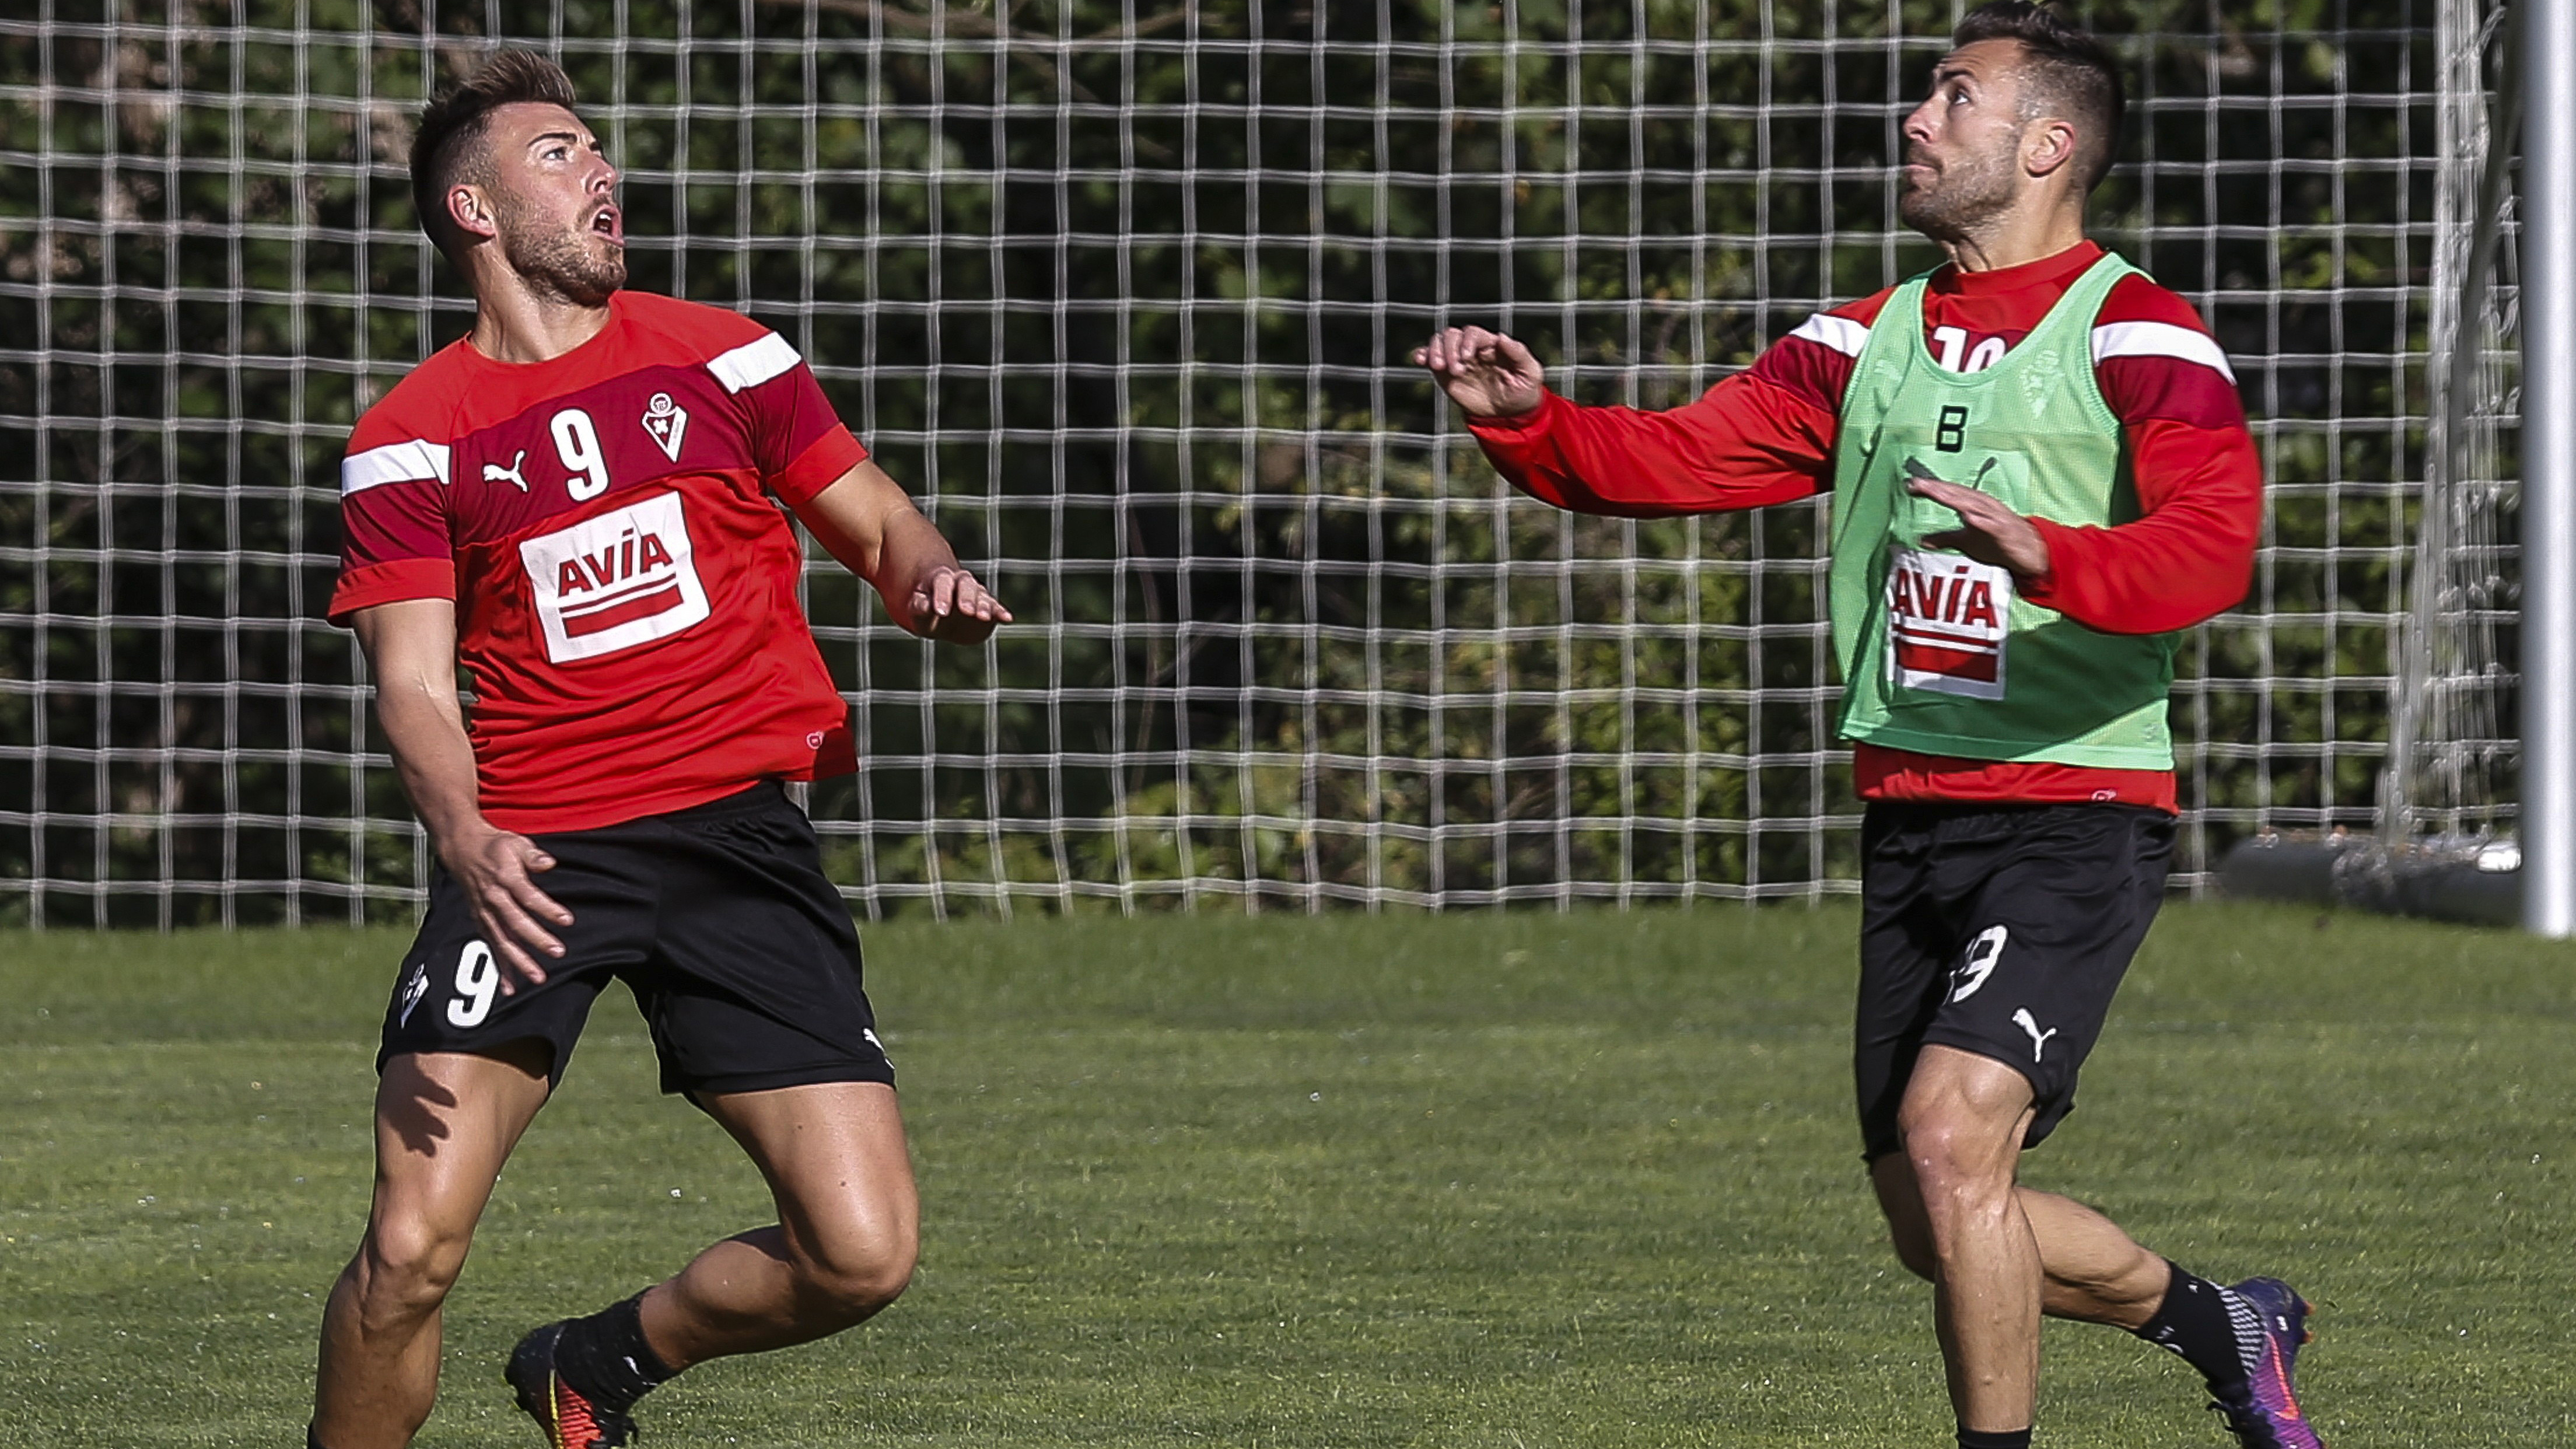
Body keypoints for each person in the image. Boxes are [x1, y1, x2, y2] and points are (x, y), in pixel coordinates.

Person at [1415, 5, 2322, 1446]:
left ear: (2048, 144)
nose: (1918, 120)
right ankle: (2226, 1323)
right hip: (1910, 810)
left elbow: (2213, 550)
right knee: (1940, 1215)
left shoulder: (2140, 326)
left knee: (1955, 1142)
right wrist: (1535, 422)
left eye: (1955, 98)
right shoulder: (1862, 335)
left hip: (2077, 809)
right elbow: (1681, 457)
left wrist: (2058, 560)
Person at [313, 51, 1009, 1449]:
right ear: (476, 210)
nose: (603, 172)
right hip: (532, 859)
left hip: (734, 839)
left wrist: (928, 578)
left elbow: (878, 521)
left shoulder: (726, 354)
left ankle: (597, 1362)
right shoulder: (407, 440)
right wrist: (465, 833)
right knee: (407, 1256)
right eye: (561, 153)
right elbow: (413, 686)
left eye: (598, 151)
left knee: (862, 1255)